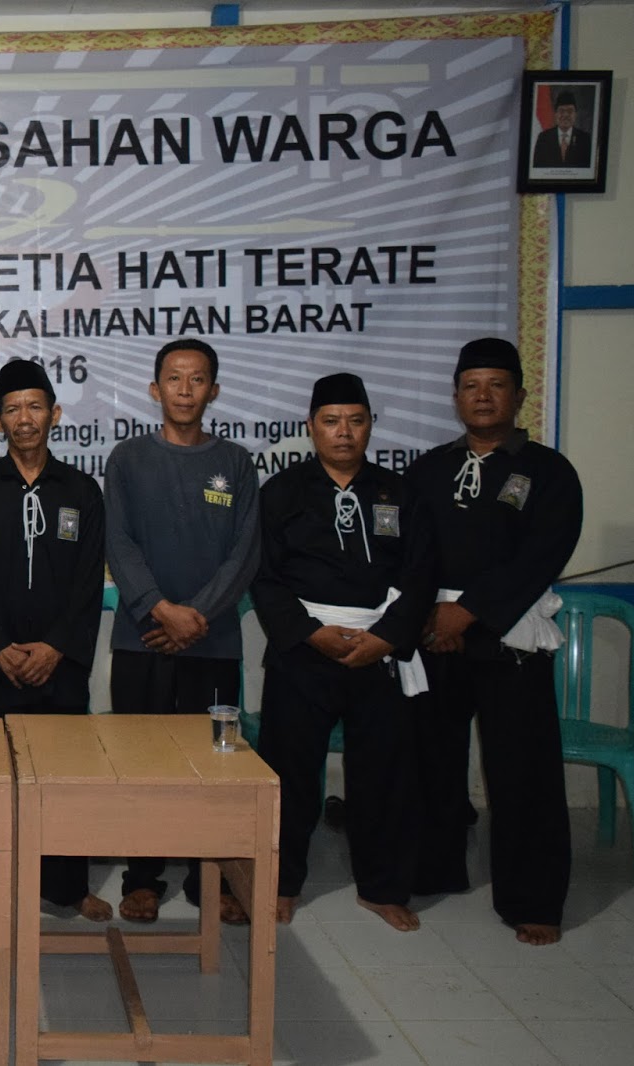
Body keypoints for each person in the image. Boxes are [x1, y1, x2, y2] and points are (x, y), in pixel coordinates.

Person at [408, 338, 581, 946]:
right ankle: (433, 869)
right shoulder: (428, 470)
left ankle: (533, 899)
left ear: (519, 395)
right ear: (456, 397)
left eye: (496, 385)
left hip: (511, 639)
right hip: (436, 636)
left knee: (523, 770)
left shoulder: (550, 472)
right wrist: (433, 617)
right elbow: (411, 552)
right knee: (430, 760)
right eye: (471, 386)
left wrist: (469, 613)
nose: (483, 397)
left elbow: (541, 556)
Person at [251, 372, 432, 931]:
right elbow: (264, 576)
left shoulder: (400, 493)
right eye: (331, 421)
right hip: (304, 650)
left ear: (371, 425)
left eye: (355, 421)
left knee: (384, 775)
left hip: (379, 650)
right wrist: (310, 633)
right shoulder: (280, 493)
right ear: (311, 427)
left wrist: (387, 636)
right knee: (290, 774)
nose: (344, 432)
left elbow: (422, 573)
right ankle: (282, 883)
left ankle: (382, 888)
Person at [104, 338, 260, 923]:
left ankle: (208, 879)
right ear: (155, 389)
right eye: (174, 378)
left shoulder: (237, 464)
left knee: (212, 767)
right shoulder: (127, 459)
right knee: (140, 764)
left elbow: (245, 553)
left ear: (213, 391)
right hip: (141, 639)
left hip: (212, 642)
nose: (185, 389)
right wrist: (159, 609)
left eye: (197, 379)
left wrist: (195, 616)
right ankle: (142, 879)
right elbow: (118, 542)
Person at [0, 358, 110, 920]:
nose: (25, 418)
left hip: (59, 666)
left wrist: (56, 647)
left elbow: (89, 582)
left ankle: (66, 889)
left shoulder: (82, 491)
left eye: (35, 407)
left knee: (62, 779)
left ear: (55, 415)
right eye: (13, 409)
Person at [531, 90, 593, 169]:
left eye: (570, 111)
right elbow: (537, 168)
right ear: (555, 114)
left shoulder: (585, 139)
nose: (565, 115)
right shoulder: (543, 138)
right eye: (561, 111)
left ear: (575, 114)